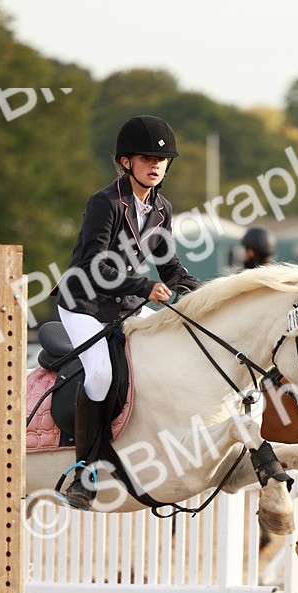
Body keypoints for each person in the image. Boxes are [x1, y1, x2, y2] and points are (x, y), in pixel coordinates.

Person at [51, 115, 201, 508]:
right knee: (100, 373)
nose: (155, 165)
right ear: (126, 162)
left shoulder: (162, 209)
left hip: (123, 305)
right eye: (146, 158)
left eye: (162, 160)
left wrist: (204, 292)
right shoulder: (105, 203)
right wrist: (144, 286)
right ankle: (83, 472)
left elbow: (170, 267)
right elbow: (95, 266)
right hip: (83, 302)